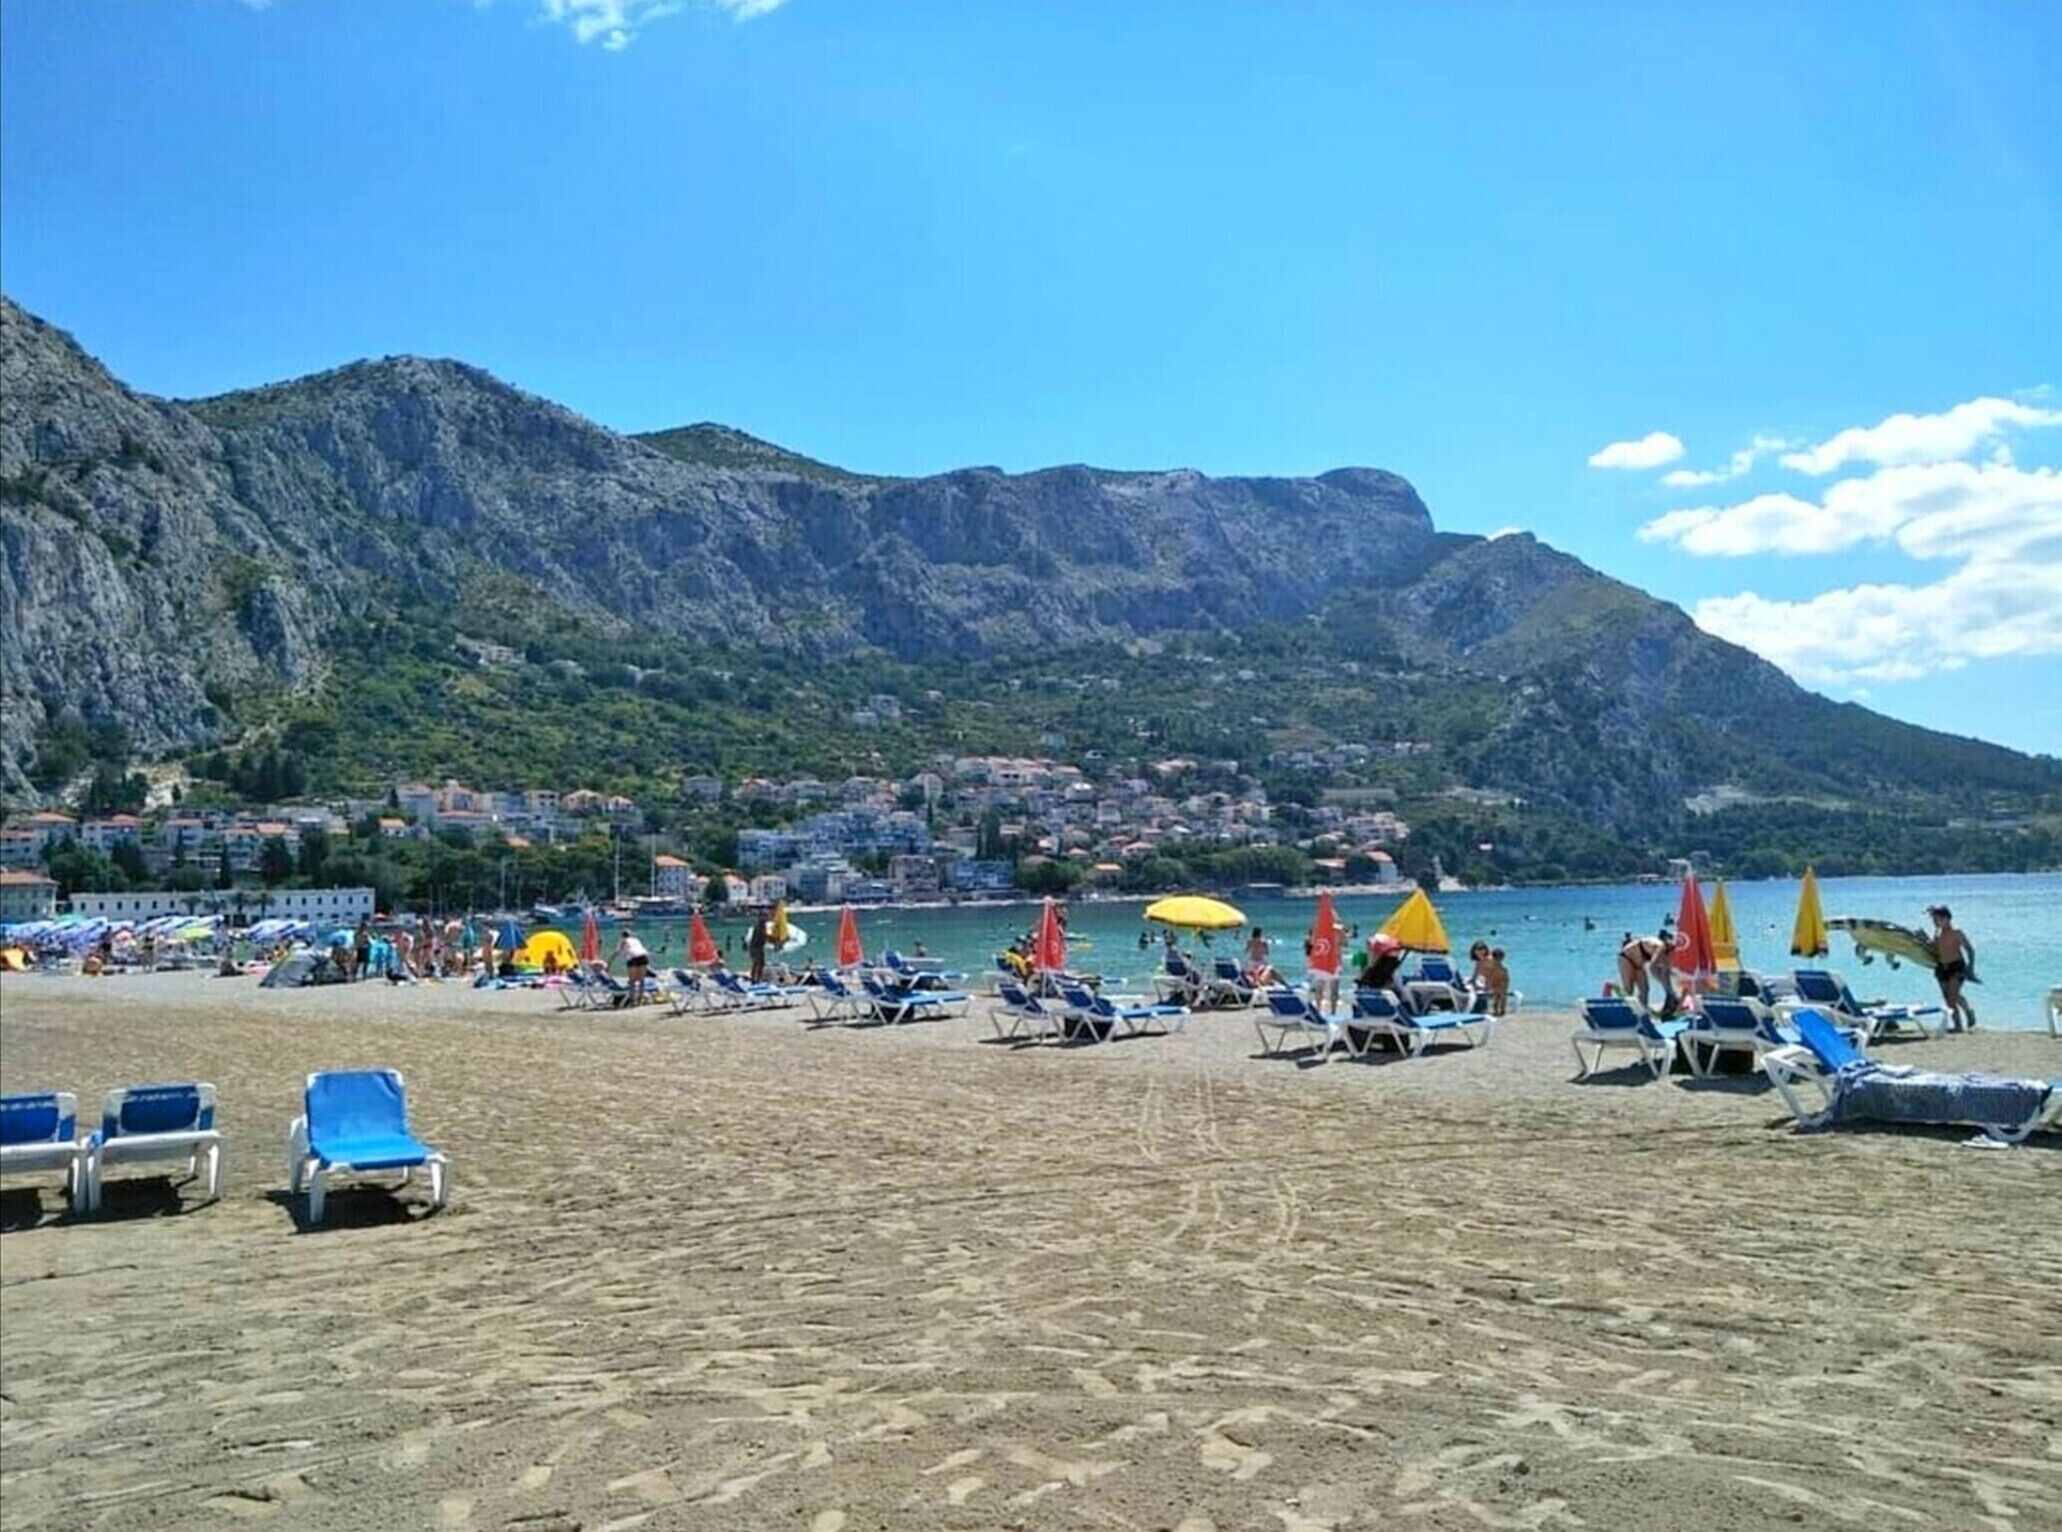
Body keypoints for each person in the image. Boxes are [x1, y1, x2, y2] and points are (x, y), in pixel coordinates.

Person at [1928, 905, 1977, 1031]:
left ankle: (1959, 1024)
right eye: (1934, 920)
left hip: (1956, 967)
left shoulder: (1957, 933)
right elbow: (1935, 951)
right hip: (1941, 968)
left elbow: (1970, 950)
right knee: (1949, 997)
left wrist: (1971, 969)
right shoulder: (1937, 935)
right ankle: (1967, 1013)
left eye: (1937, 919)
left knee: (1952, 998)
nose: (1935, 922)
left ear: (1947, 919)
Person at [1617, 926, 1678, 1017]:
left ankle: (1642, 1014)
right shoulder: (1660, 947)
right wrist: (1667, 989)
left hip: (1638, 963)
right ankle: (1625, 1015)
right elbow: (1653, 967)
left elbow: (1666, 972)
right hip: (1626, 958)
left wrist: (1671, 990)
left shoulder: (1665, 952)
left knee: (1645, 989)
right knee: (1629, 989)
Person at [614, 924, 652, 1005]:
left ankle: (632, 1000)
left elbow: (617, 952)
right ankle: (640, 1000)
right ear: (630, 934)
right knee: (641, 980)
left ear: (622, 935)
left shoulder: (623, 940)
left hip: (633, 957)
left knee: (632, 981)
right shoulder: (636, 940)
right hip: (643, 956)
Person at [1483, 948, 1512, 1017]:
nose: (1497, 961)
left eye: (1499, 959)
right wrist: (1488, 984)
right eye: (1496, 959)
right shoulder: (1492, 967)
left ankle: (1502, 1010)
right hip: (1495, 983)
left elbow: (1506, 978)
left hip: (1502, 984)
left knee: (1502, 997)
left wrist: (1506, 985)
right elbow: (1489, 976)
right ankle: (1496, 1010)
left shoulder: (1504, 968)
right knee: (1496, 998)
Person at [746, 911, 770, 983]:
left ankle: (755, 979)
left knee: (758, 963)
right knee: (759, 963)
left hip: (756, 947)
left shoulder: (760, 925)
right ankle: (755, 979)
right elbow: (761, 936)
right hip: (756, 947)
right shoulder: (761, 925)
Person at [353, 916, 372, 983]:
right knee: (365, 963)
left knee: (358, 963)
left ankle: (355, 976)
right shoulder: (365, 934)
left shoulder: (356, 933)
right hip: (364, 949)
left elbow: (355, 941)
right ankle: (364, 977)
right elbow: (368, 942)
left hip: (359, 948)